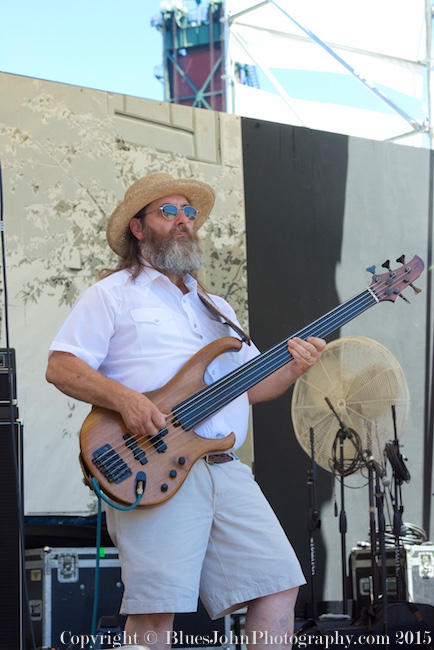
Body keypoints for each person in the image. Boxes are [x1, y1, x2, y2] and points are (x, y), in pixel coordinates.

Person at [46, 171, 326, 649]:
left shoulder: (216, 307)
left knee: (279, 584)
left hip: (225, 466)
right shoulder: (112, 294)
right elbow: (62, 366)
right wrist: (127, 400)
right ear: (138, 228)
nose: (184, 221)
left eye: (190, 213)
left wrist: (296, 367)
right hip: (150, 462)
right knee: (156, 612)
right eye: (169, 212)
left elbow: (253, 388)